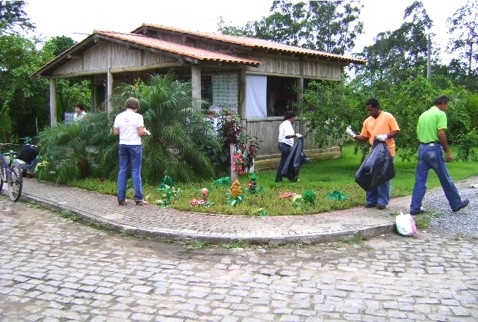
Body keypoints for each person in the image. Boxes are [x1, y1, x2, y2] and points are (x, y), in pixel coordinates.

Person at [409, 95, 469, 215]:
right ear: (442, 103)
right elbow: (441, 133)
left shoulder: (423, 114)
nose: (447, 107)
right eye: (447, 104)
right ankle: (456, 203)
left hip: (422, 148)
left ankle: (414, 207)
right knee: (445, 178)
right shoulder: (440, 114)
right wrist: (447, 151)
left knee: (420, 181)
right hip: (433, 149)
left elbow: (418, 132)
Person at [346, 98, 400, 209]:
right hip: (374, 151)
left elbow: (396, 131)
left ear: (377, 108)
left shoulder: (387, 116)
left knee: (383, 176)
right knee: (370, 175)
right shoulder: (367, 121)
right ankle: (371, 200)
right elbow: (365, 137)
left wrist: (385, 136)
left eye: (371, 110)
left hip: (387, 152)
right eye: (368, 110)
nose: (369, 112)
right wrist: (353, 135)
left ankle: (382, 201)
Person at [113, 97, 151, 206]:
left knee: (123, 170)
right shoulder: (138, 117)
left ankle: (121, 198)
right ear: (137, 107)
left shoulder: (119, 116)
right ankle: (138, 199)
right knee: (135, 171)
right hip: (135, 145)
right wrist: (146, 132)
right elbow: (140, 132)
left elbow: (115, 132)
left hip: (123, 144)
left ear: (127, 105)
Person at [275, 111, 302, 182]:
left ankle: (289, 177)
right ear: (292, 117)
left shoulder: (285, 123)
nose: (295, 120)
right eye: (295, 118)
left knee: (288, 162)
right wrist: (296, 135)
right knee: (284, 162)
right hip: (285, 145)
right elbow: (287, 136)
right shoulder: (287, 124)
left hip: (284, 145)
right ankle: (279, 179)